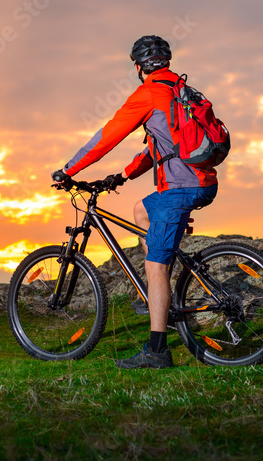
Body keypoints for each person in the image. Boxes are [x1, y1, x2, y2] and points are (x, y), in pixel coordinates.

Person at [52, 35, 218, 369]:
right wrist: (123, 176)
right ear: (166, 62)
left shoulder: (147, 94)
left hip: (179, 188)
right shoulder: (180, 92)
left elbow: (107, 136)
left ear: (139, 67)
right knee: (142, 210)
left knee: (154, 266)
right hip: (202, 181)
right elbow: (162, 146)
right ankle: (160, 293)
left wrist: (68, 170)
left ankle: (157, 350)